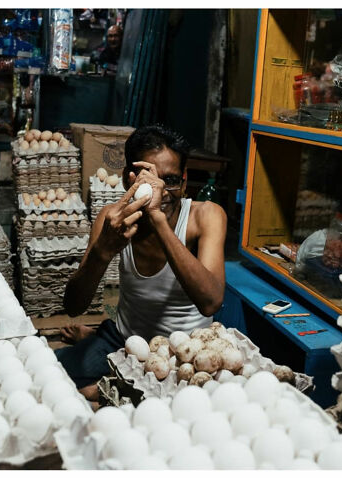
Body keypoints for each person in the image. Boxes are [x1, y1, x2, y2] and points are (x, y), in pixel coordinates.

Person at [57, 124, 227, 400]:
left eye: (170, 181)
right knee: (51, 370)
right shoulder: (112, 218)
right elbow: (73, 305)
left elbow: (211, 302)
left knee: (185, 401)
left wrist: (158, 220)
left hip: (183, 357)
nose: (161, 191)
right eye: (151, 181)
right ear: (129, 180)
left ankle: (107, 383)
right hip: (125, 345)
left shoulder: (205, 216)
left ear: (184, 183)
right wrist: (103, 250)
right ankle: (100, 347)